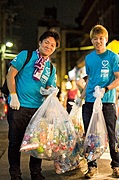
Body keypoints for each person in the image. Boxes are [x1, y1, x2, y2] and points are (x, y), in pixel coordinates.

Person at [6, 29, 60, 180]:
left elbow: (50, 86)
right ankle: (15, 174)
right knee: (15, 143)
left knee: (37, 143)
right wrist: (13, 95)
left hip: (38, 110)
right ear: (40, 42)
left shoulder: (51, 68)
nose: (49, 46)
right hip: (19, 107)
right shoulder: (26, 55)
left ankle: (35, 173)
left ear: (55, 49)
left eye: (53, 45)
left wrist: (50, 91)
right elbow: (11, 74)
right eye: (46, 42)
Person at [81, 24, 119, 179]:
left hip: (107, 102)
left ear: (106, 39)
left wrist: (106, 89)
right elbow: (89, 80)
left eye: (101, 38)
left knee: (112, 135)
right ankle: (91, 166)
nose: (98, 41)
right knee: (90, 135)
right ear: (92, 41)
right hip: (90, 102)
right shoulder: (89, 58)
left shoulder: (113, 57)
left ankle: (117, 166)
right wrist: (81, 97)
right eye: (95, 39)